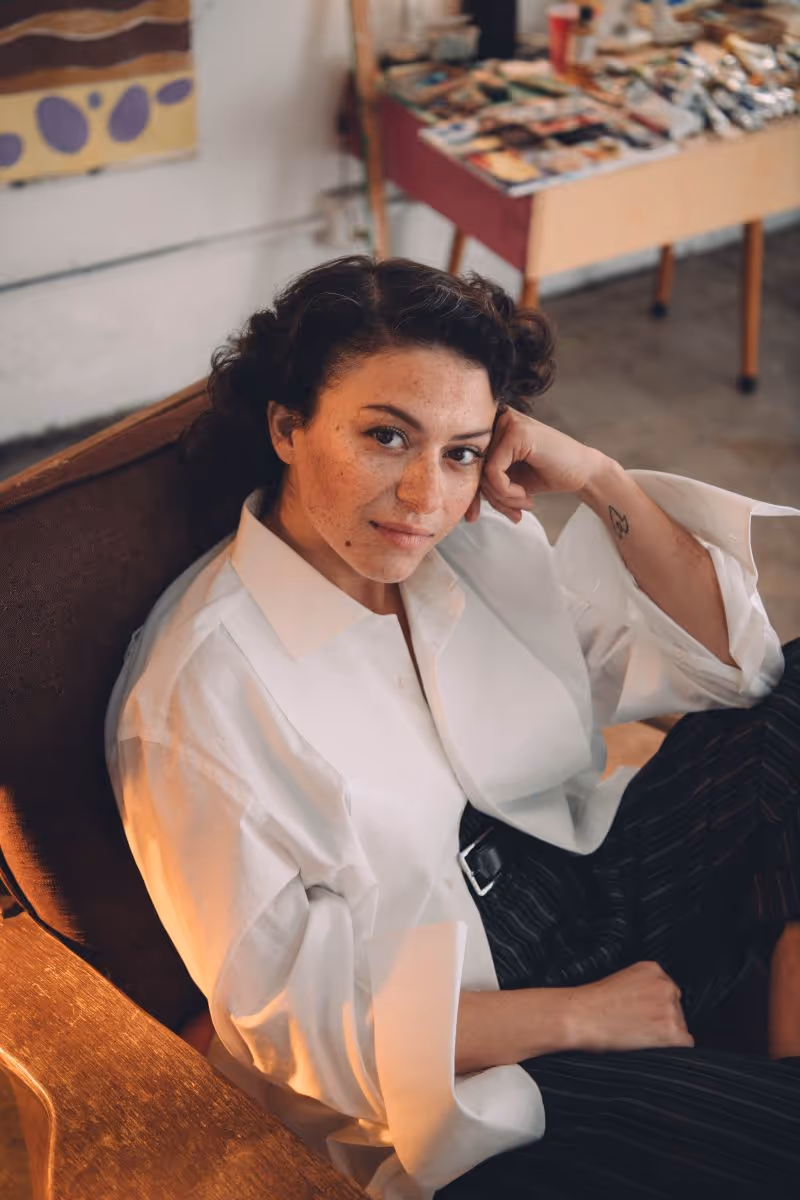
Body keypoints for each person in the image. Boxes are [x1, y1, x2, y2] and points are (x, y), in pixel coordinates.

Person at [104, 255, 800, 1200]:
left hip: (589, 882)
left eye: (462, 450)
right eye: (387, 437)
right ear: (286, 426)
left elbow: (735, 669)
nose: (428, 496)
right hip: (476, 1045)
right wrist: (576, 1018)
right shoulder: (203, 695)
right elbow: (295, 1029)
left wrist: (600, 477)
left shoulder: (467, 541)